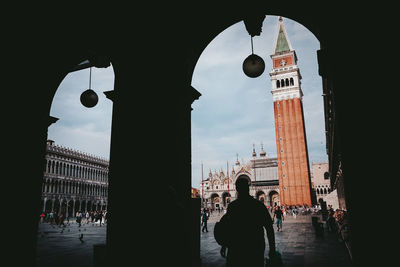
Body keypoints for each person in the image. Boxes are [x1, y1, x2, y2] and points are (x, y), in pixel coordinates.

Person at [220, 178, 276, 267]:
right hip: (255, 247)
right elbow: (269, 228)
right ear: (248, 188)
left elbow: (227, 228)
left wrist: (224, 245)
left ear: (237, 189)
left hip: (236, 248)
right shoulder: (258, 205)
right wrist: (272, 249)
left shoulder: (232, 207)